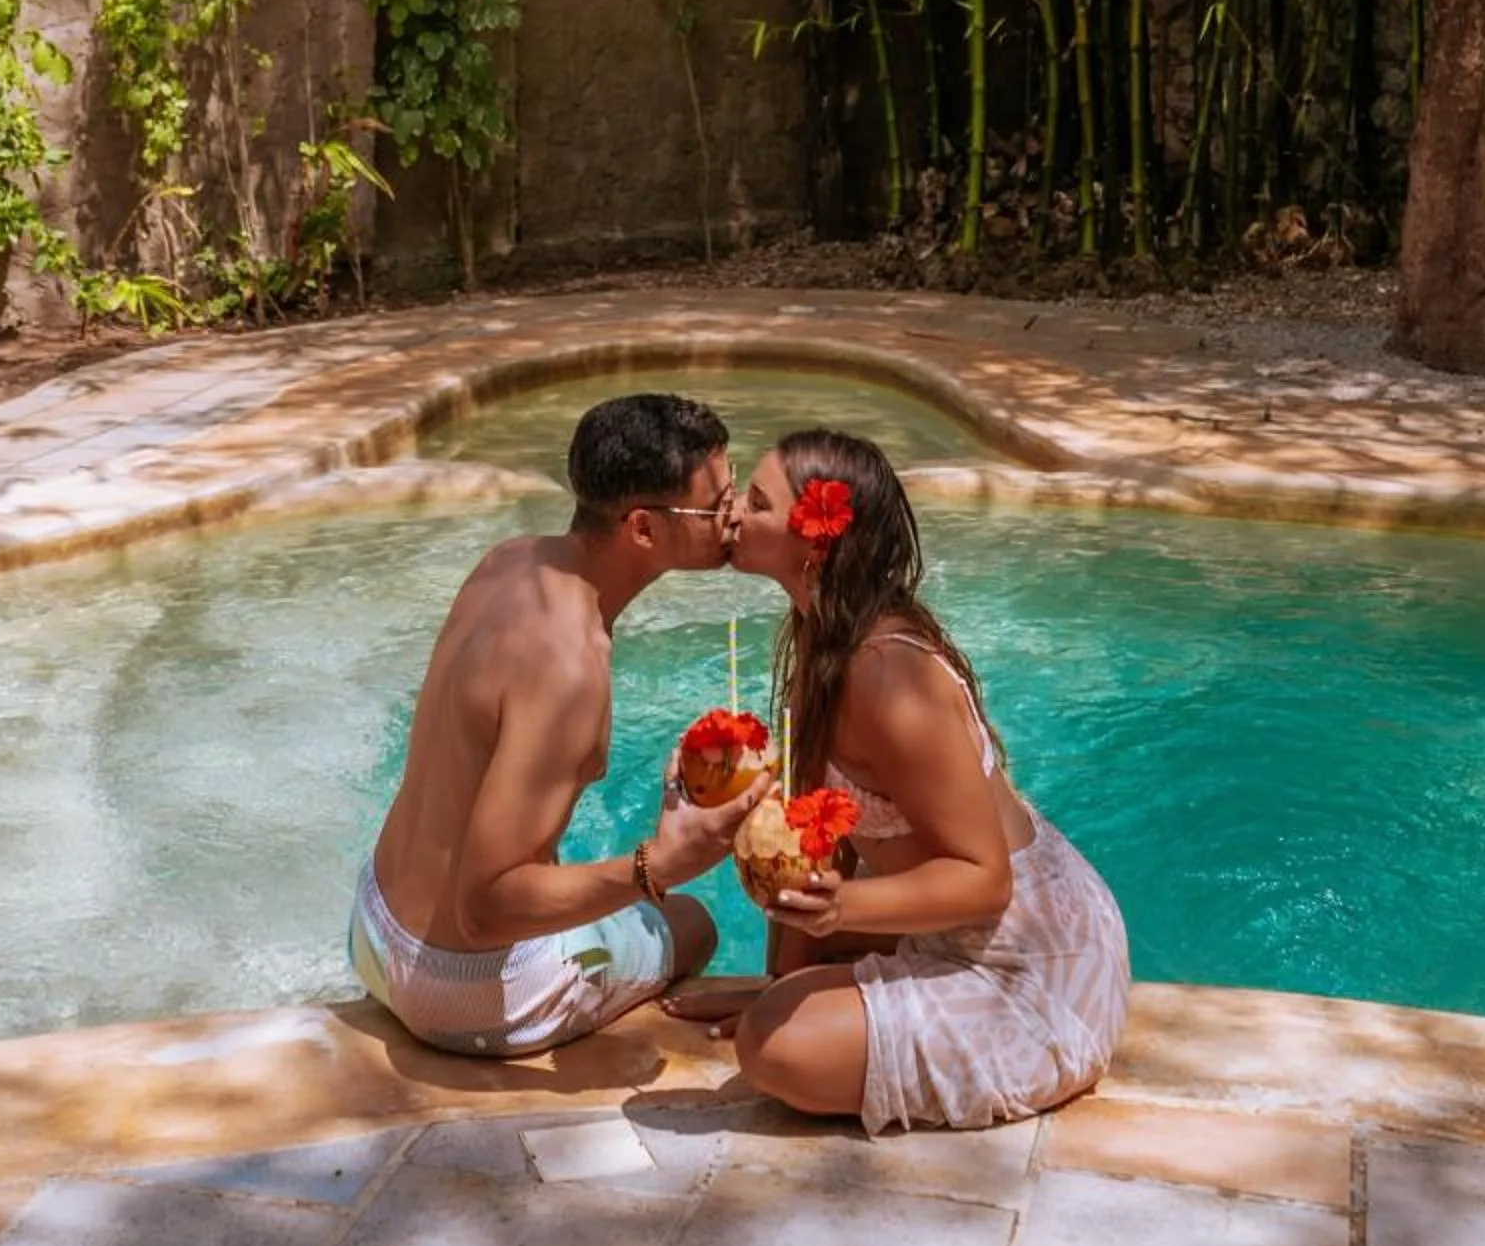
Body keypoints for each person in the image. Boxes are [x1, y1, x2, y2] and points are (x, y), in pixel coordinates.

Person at [684, 427, 1128, 1134]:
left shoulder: (888, 675)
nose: (734, 511)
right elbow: (818, 839)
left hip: (1031, 962)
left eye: (758, 503)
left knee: (773, 1048)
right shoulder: (821, 641)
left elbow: (986, 880)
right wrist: (784, 984)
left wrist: (842, 915)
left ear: (816, 540)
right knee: (777, 1012)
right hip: (947, 925)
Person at [349, 391, 770, 1057]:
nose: (736, 516)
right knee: (694, 923)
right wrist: (661, 863)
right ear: (642, 529)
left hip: (373, 926)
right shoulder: (570, 667)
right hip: (455, 989)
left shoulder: (511, 561)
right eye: (716, 506)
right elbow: (484, 907)